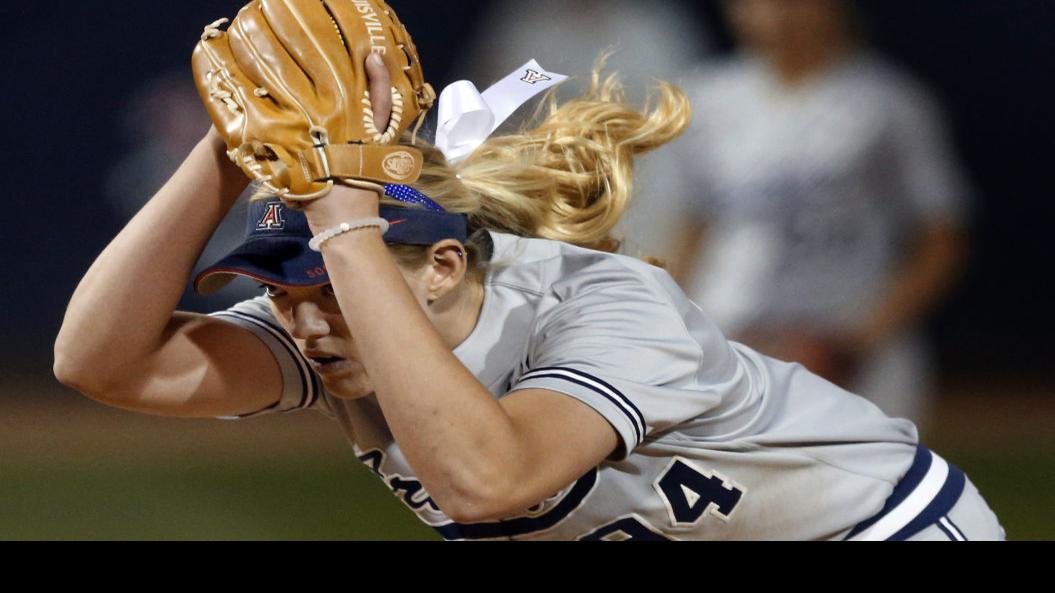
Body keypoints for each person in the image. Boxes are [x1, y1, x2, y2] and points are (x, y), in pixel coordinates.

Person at [54, 52, 1002, 540]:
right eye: (281, 288)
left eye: (327, 283)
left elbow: (489, 480)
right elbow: (100, 362)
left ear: (442, 266)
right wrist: (226, 151)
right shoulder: (340, 316)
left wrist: (342, 225)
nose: (303, 315)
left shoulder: (608, 307)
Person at [667, 0, 972, 427]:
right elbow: (692, 226)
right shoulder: (708, 98)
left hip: (850, 337)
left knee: (876, 488)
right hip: (732, 335)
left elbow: (942, 236)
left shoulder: (886, 101)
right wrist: (674, 323)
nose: (772, 12)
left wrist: (859, 339)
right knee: (729, 489)